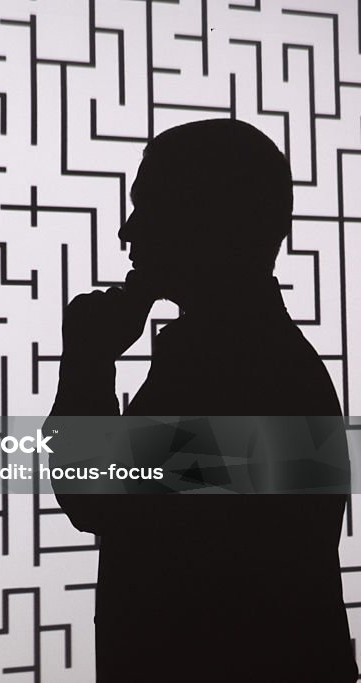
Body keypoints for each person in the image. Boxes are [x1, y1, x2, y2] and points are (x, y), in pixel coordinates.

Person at [49, 119, 358, 682]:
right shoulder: (257, 355)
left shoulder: (248, 370)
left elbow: (92, 497)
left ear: (208, 219)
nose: (127, 231)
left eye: (150, 207)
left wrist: (87, 362)